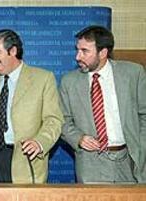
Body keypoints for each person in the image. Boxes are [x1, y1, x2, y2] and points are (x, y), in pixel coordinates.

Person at [0, 29, 64, 184]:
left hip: (26, 162)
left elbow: (53, 120)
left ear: (13, 51)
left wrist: (39, 142)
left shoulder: (43, 79)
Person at [59, 25, 146, 183]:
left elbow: (144, 115)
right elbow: (62, 120)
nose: (78, 56)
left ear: (103, 53)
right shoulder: (69, 82)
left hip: (130, 161)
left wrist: (141, 149)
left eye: (85, 51)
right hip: (90, 164)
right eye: (77, 50)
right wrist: (78, 138)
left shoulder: (134, 73)